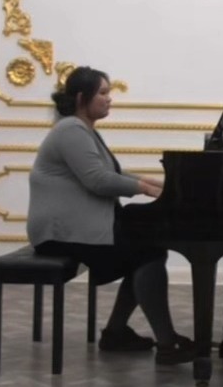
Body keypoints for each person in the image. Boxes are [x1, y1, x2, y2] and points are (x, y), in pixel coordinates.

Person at [27, 65, 195, 366]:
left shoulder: (82, 129)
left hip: (73, 228)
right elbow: (98, 180)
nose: (109, 99)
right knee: (147, 252)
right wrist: (147, 189)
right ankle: (165, 342)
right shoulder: (71, 130)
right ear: (82, 98)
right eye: (103, 93)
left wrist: (161, 185)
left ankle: (118, 333)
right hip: (59, 234)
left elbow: (112, 172)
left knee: (146, 250)